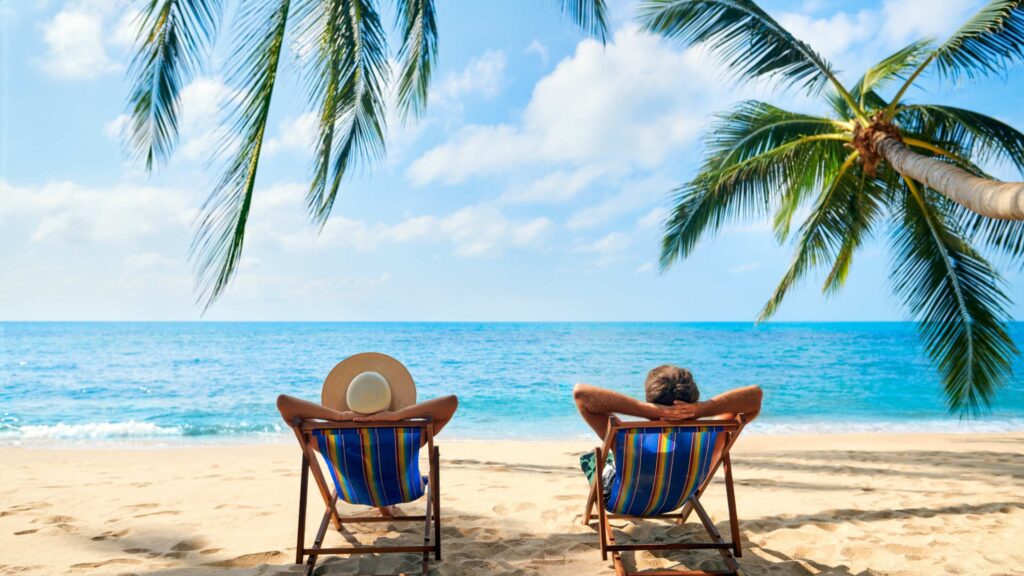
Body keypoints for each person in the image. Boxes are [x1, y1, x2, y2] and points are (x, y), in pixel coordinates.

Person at [277, 352, 458, 517]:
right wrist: (395, 417)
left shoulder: (325, 437)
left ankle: (382, 505)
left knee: (367, 464)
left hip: (354, 492)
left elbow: (284, 402)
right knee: (386, 462)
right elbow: (451, 402)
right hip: (404, 490)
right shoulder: (410, 434)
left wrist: (338, 416)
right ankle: (385, 503)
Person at [572, 365, 762, 500]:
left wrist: (644, 410)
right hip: (681, 497)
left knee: (592, 458)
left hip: (627, 501)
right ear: (695, 398)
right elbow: (754, 396)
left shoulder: (628, 439)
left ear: (650, 401)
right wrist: (701, 410)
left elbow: (581, 394)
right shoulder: (714, 435)